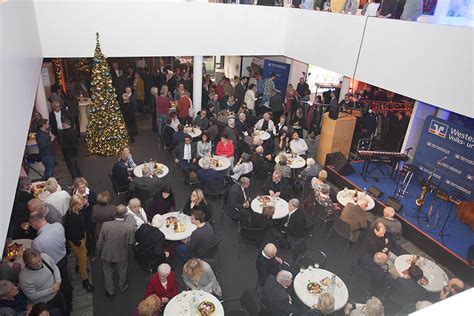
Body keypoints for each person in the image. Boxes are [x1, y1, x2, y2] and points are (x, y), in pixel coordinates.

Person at [29, 211, 73, 312]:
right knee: (65, 280)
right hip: (63, 258)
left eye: (31, 224)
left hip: (53, 266)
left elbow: (38, 257)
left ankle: (65, 308)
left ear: (35, 223)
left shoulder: (37, 241)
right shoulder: (58, 226)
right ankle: (69, 303)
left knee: (58, 284)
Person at [96, 204, 136, 296]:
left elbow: (100, 241)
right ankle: (122, 287)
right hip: (122, 254)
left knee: (107, 271)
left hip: (107, 253)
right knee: (122, 271)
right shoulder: (129, 228)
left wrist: (98, 252)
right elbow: (131, 242)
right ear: (125, 215)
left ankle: (110, 290)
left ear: (115, 213)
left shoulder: (105, 225)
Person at [63, 194, 94, 292]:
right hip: (77, 240)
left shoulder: (75, 212)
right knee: (83, 260)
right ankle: (85, 280)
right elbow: (70, 233)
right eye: (80, 205)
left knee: (79, 256)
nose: (82, 206)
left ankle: (77, 266)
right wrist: (78, 243)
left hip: (81, 236)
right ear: (74, 205)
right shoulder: (71, 218)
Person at [18, 249, 65, 314]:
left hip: (57, 293)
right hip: (44, 303)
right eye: (34, 264)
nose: (39, 264)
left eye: (40, 260)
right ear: (27, 264)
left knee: (63, 310)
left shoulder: (45, 256)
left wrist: (58, 281)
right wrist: (51, 290)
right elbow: (32, 296)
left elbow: (54, 267)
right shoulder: (24, 277)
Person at [72, 177, 97, 259]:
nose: (82, 189)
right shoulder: (74, 193)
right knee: (81, 235)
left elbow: (95, 206)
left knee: (91, 235)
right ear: (76, 187)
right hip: (79, 217)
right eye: (80, 187)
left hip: (89, 217)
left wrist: (87, 204)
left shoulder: (91, 193)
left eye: (84, 187)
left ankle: (92, 252)